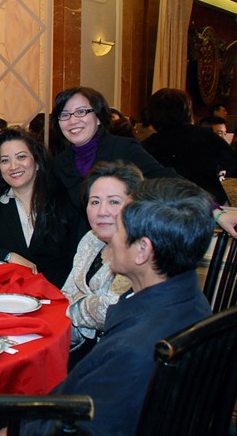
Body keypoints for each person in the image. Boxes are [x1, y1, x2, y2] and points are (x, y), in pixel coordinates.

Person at [16, 178, 213, 435]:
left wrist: (14, 427)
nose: (110, 238)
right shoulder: (192, 300)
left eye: (119, 227)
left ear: (142, 251)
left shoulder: (133, 350)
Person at [50, 86, 176, 239]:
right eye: (64, 115)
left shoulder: (123, 148)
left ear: (98, 117)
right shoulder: (59, 163)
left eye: (81, 112)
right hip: (81, 246)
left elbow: (167, 181)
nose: (72, 120)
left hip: (127, 241)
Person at [0, 127, 77, 288]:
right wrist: (9, 256)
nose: (13, 166)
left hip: (58, 294)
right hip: (12, 295)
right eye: (5, 160)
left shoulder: (62, 201)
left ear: (37, 163)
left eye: (21, 157)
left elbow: (78, 258)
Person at [61, 161, 140, 370]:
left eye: (114, 202)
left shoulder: (139, 250)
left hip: (119, 360)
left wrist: (76, 303)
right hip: (80, 348)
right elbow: (65, 294)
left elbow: (112, 310)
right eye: (94, 202)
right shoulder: (91, 239)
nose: (102, 211)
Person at [142, 88, 237, 206]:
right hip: (209, 204)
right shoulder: (207, 137)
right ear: (187, 111)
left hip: (163, 206)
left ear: (152, 114)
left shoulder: (148, 146)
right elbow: (232, 165)